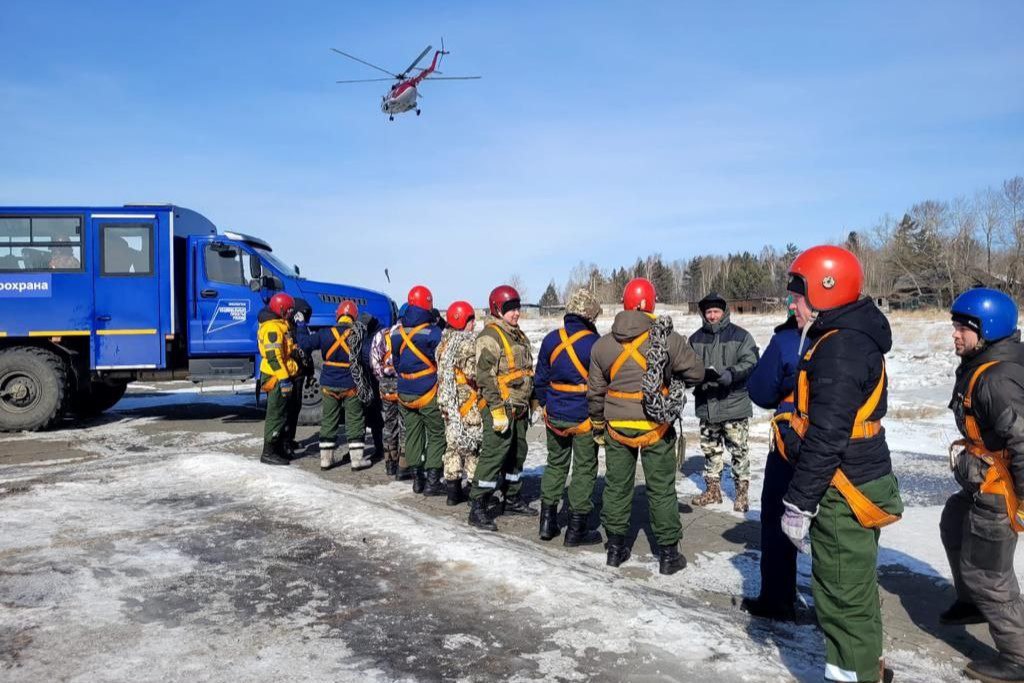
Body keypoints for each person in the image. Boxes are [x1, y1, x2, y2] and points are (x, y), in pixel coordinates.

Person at [774, 245, 902, 683]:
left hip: (842, 486)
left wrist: (799, 503)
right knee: (855, 589)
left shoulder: (840, 348)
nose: (794, 304)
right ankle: (869, 667)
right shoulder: (843, 337)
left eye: (800, 294)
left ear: (827, 291)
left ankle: (854, 674)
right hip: (852, 477)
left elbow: (828, 436)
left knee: (842, 593)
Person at [588, 278, 704, 574]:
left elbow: (596, 393)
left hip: (616, 426)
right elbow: (697, 373)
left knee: (616, 487)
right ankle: (667, 555)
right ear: (648, 304)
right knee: (661, 490)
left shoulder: (602, 345)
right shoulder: (668, 339)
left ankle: (614, 549)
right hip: (655, 426)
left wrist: (598, 425)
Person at [941, 287, 1024, 683]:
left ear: (987, 330)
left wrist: (1021, 502)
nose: (955, 334)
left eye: (963, 327)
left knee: (988, 573)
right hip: (984, 478)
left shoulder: (997, 379)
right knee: (952, 521)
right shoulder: (985, 363)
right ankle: (972, 601)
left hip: (1001, 487)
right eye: (955, 325)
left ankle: (1018, 656)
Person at [740, 297, 805, 621]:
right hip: (848, 446)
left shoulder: (787, 341)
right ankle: (847, 615)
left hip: (792, 443)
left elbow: (762, 391)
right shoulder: (858, 338)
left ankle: (777, 599)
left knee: (779, 516)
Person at [534, 288, 603, 546]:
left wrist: (545, 403)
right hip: (584, 418)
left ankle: (547, 523)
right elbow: (601, 384)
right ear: (589, 315)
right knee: (584, 469)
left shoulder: (551, 339)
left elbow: (540, 378)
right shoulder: (595, 343)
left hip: (555, 415)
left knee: (555, 465)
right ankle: (576, 530)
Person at [468, 285, 537, 531]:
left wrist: (534, 400)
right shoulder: (490, 336)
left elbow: (527, 370)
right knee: (495, 453)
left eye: (517, 308)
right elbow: (485, 376)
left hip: (519, 405)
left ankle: (512, 497)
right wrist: (496, 408)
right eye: (510, 309)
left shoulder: (518, 335)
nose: (516, 313)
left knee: (517, 453)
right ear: (498, 309)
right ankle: (478, 504)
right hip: (500, 405)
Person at [689, 292, 759, 512]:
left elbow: (751, 361)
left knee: (739, 451)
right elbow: (687, 365)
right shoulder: (695, 339)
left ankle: (741, 495)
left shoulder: (741, 336)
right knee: (711, 450)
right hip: (707, 405)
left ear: (724, 312)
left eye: (716, 311)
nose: (712, 316)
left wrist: (732, 373)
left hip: (734, 404)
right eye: (708, 312)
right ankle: (713, 491)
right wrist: (693, 377)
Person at [297, 300, 372, 471]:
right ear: (354, 316)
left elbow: (304, 343)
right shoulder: (358, 335)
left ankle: (326, 460)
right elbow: (367, 357)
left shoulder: (325, 333)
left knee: (329, 420)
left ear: (338, 315)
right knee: (354, 420)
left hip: (329, 384)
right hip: (351, 384)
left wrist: (301, 325)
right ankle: (356, 460)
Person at [391, 286, 446, 495]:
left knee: (412, 434)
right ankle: (433, 481)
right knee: (436, 433)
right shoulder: (433, 333)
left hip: (404, 392)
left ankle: (417, 478)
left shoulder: (396, 333)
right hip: (428, 391)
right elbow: (442, 361)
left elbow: (397, 362)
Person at [436, 301, 483, 506]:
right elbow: (474, 372)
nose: (473, 325)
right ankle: (474, 491)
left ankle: (453, 493)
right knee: (473, 446)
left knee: (453, 446)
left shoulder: (443, 343)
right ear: (464, 321)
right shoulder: (466, 343)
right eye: (471, 320)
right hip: (467, 403)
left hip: (448, 403)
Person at [257, 292, 303, 466]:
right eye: (289, 309)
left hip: (284, 374)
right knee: (276, 414)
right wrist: (284, 379)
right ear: (281, 309)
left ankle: (279, 448)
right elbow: (274, 358)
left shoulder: (281, 325)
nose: (291, 312)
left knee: (284, 414)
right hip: (276, 377)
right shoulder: (272, 329)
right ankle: (268, 452)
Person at [371, 304, 407, 478]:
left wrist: (383, 379)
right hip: (406, 384)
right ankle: (403, 466)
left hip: (386, 384)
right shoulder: (410, 334)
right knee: (405, 425)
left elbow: (375, 362)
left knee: (389, 424)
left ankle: (389, 463)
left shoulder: (381, 334)